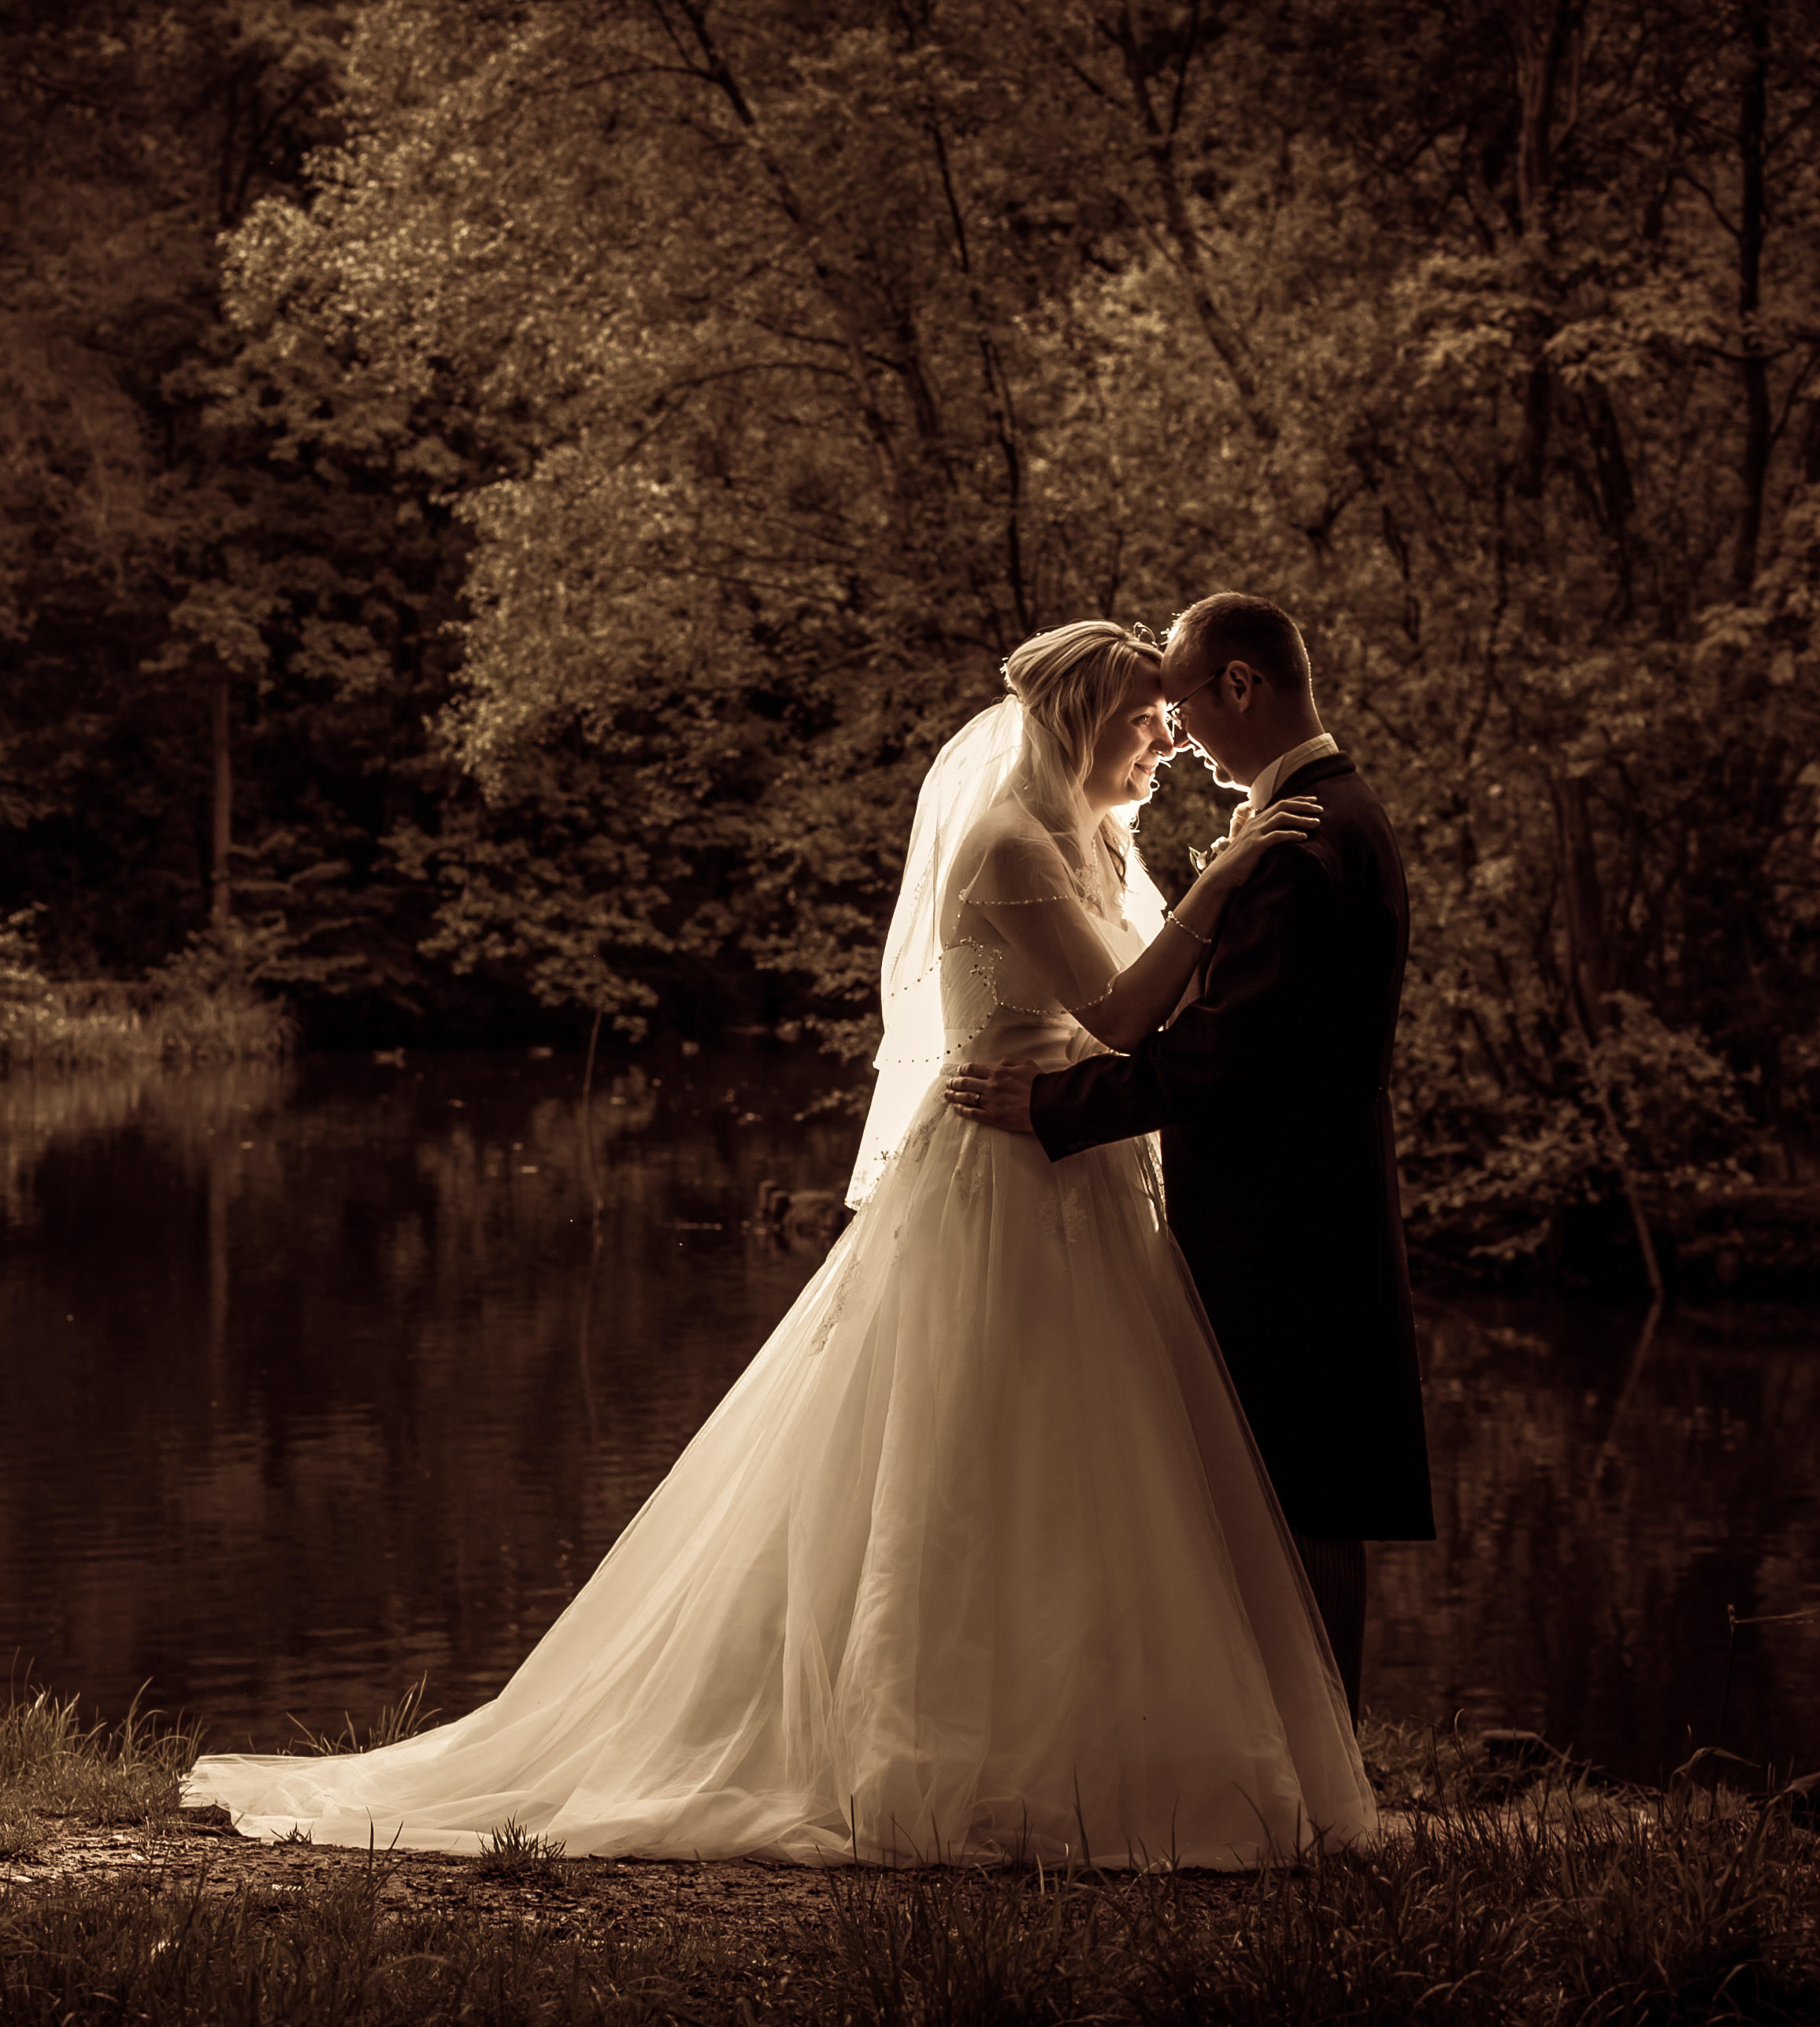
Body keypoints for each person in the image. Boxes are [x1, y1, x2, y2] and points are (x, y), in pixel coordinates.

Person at [184, 620, 1373, 1867]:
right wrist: (1228, 879)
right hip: (999, 1188)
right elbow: (1126, 1012)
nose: (1168, 745)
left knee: (1086, 1466)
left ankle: (1097, 1745)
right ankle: (939, 1747)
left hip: (1079, 1173)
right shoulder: (1009, 843)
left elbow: (1153, 1007)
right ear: (1087, 720)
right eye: (1148, 723)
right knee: (973, 1459)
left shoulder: (1101, 838)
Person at [947, 592, 1436, 1722]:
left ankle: (1319, 1757)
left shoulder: (1309, 838)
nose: (1173, 734)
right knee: (1271, 1489)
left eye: (1179, 706)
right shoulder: (1312, 821)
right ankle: (1292, 1751)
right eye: (1149, 713)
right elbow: (1191, 1032)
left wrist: (1059, 1103)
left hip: (1292, 1220)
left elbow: (1213, 1055)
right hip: (1280, 1209)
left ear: (1239, 688)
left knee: (1301, 1493)